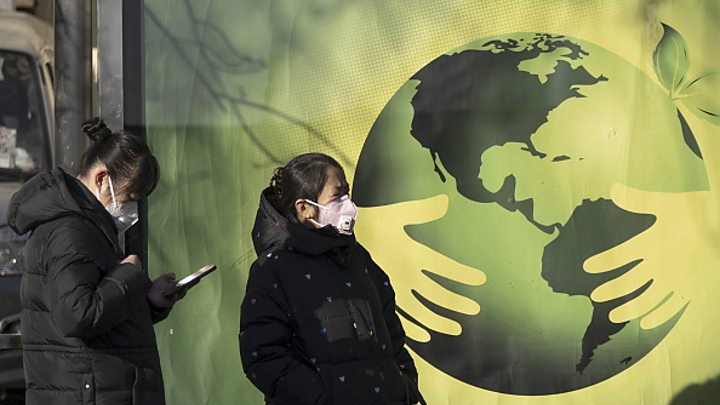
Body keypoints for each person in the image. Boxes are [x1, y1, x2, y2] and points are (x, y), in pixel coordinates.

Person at [6, 118, 182, 405]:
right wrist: (129, 275)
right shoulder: (70, 231)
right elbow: (78, 315)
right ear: (102, 179)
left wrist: (147, 300)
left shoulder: (85, 224)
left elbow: (95, 311)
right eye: (129, 196)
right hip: (89, 392)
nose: (131, 208)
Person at [239, 153, 424, 405]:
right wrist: (322, 399)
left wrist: (403, 385)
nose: (349, 205)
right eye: (337, 197)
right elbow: (263, 356)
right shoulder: (273, 269)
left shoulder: (357, 257)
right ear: (304, 209)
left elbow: (391, 331)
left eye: (347, 193)